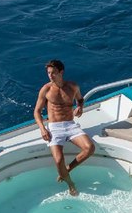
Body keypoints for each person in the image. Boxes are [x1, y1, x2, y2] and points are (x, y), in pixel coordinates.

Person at [34, 59, 95, 196]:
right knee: (58, 160)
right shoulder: (46, 89)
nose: (50, 76)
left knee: (90, 148)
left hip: (70, 125)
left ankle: (67, 169)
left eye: (53, 73)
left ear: (61, 72)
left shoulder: (73, 86)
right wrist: (42, 129)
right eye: (49, 73)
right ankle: (70, 184)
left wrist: (80, 107)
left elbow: (80, 99)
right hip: (54, 127)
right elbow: (37, 111)